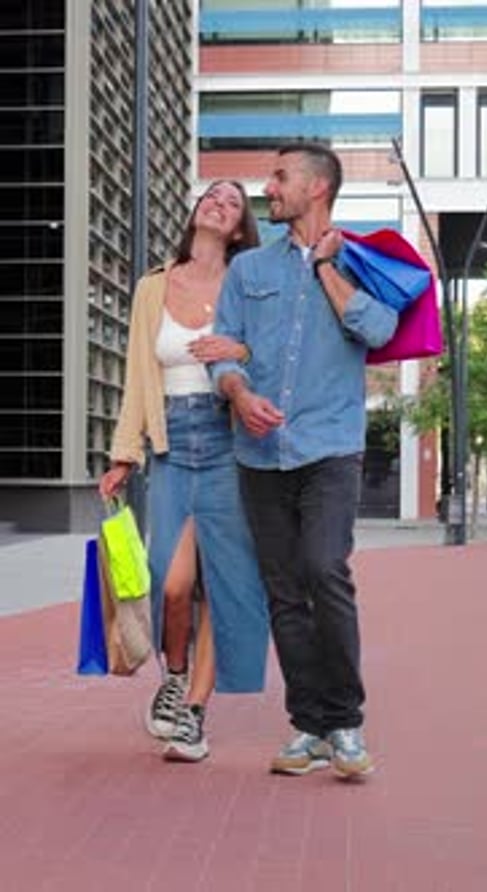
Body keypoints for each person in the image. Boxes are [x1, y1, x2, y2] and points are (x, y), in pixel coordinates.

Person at [210, 143, 399, 780]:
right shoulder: (247, 269)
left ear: (317, 188)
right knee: (285, 594)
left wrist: (325, 269)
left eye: (281, 177)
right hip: (259, 452)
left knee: (324, 569)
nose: (270, 187)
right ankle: (309, 726)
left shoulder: (364, 259)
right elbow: (224, 351)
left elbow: (378, 331)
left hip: (329, 448)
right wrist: (238, 392)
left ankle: (345, 722)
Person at [99, 180, 269, 762]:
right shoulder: (152, 286)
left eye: (234, 201)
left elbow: (265, 352)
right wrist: (125, 453)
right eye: (212, 195)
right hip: (172, 444)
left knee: (221, 584)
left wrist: (236, 352)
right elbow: (135, 377)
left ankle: (194, 712)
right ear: (197, 210)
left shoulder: (245, 286)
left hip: (229, 443)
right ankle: (174, 674)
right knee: (170, 584)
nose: (220, 201)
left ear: (241, 226)